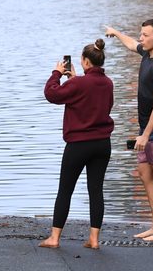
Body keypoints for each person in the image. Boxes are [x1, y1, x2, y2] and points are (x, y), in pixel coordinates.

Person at [105, 19, 153, 242]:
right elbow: (130, 44)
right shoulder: (147, 55)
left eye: (145, 35)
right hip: (145, 129)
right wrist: (116, 33)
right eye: (141, 34)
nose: (141, 38)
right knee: (145, 174)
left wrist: (146, 134)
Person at [40, 39, 114, 250]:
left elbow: (51, 94)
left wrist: (56, 73)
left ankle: (54, 238)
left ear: (85, 61)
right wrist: (74, 80)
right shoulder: (108, 82)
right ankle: (94, 238)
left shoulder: (79, 83)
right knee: (96, 190)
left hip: (79, 145)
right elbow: (103, 103)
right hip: (102, 143)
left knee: (65, 190)